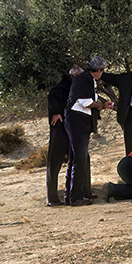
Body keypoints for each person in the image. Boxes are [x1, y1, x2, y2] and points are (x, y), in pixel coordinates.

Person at [65, 57, 111, 206]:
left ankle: (71, 194)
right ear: (98, 70)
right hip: (78, 122)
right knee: (80, 159)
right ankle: (76, 197)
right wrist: (102, 106)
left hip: (77, 121)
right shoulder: (84, 79)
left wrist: (102, 105)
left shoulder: (86, 79)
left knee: (76, 159)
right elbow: (86, 103)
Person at [45, 68, 80, 207]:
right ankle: (54, 198)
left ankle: (71, 194)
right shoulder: (59, 90)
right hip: (61, 130)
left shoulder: (73, 89)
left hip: (66, 130)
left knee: (76, 161)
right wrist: (57, 111)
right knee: (55, 164)